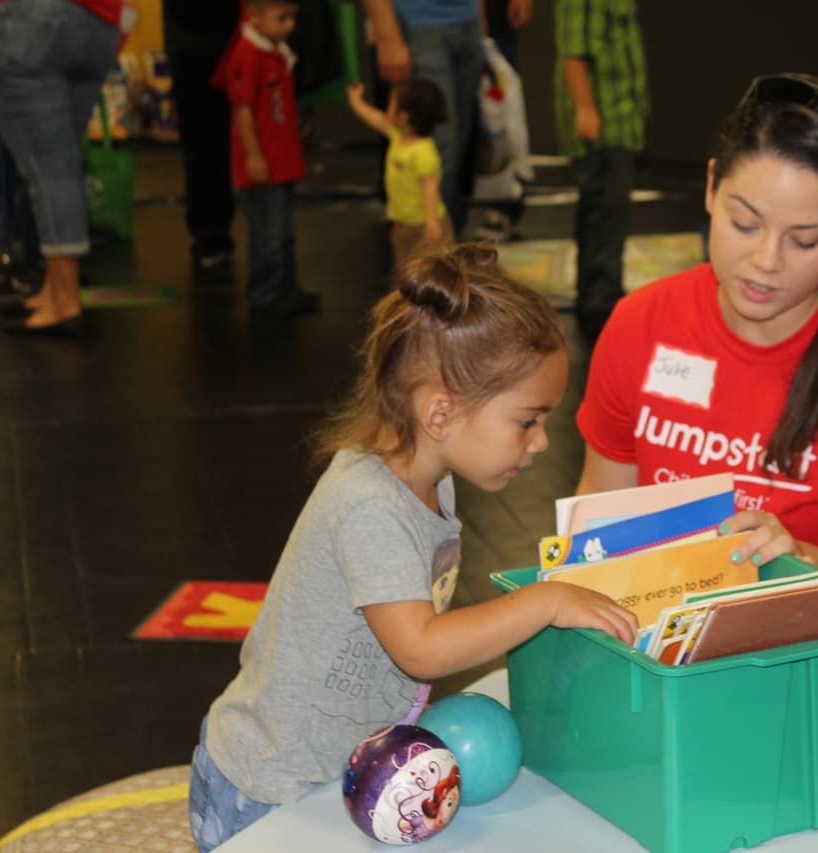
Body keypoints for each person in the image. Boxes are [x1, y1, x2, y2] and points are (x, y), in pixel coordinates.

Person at [187, 242, 638, 852]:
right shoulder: (370, 505)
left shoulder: (428, 482)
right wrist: (544, 602)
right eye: (527, 421)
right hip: (272, 790)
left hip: (343, 775)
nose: (541, 444)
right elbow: (420, 648)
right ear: (440, 413)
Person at [575, 74, 818, 723]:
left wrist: (795, 559)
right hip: (666, 659)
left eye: (804, 239)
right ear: (711, 185)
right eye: (743, 222)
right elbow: (599, 528)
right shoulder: (642, 325)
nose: (765, 260)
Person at [0, 0, 120, 335]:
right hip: (100, 26)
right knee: (62, 165)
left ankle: (64, 303)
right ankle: (55, 290)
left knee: (49, 169)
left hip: (32, 23)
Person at [555, 0, 649, 347]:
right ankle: (600, 304)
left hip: (621, 117)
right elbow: (572, 49)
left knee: (608, 209)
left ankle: (600, 296)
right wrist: (585, 108)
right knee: (604, 212)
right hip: (603, 121)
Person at [223, 0, 321, 316]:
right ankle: (265, 293)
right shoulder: (247, 55)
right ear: (255, 16)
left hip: (282, 163)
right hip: (263, 166)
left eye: (293, 17)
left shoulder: (276, 52)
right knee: (267, 234)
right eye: (281, 18)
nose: (290, 25)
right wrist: (253, 156)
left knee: (283, 233)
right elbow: (242, 110)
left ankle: (286, 288)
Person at [359, 0, 487, 236]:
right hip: (419, 24)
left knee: (457, 144)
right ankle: (430, 249)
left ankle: (445, 245)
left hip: (467, 22)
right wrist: (388, 35)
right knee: (440, 148)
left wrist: (479, 17)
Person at [162, 0, 241, 288]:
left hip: (242, 25)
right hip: (191, 32)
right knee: (202, 141)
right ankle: (211, 238)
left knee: (264, 138)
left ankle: (271, 249)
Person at [347, 78, 454, 266]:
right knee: (406, 271)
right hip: (403, 225)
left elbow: (430, 187)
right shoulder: (397, 136)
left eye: (391, 104)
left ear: (403, 116)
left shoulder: (423, 152)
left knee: (433, 272)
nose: (386, 109)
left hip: (425, 227)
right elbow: (374, 117)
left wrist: (431, 222)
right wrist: (355, 100)